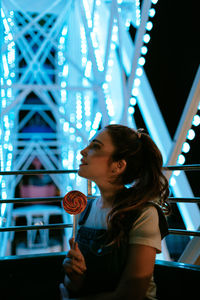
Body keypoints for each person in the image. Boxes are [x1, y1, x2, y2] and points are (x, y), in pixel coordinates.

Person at [60, 124, 170, 300]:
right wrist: (74, 277)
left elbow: (132, 295)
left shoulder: (144, 214)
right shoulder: (84, 211)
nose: (83, 151)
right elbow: (74, 286)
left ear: (118, 166)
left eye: (95, 146)